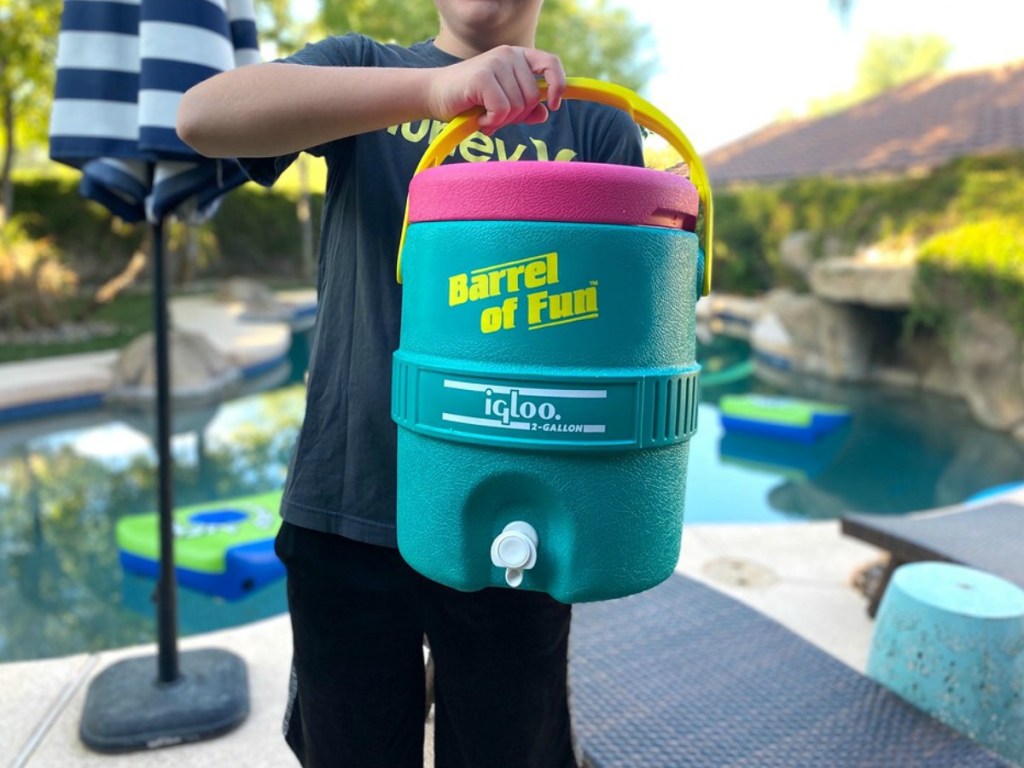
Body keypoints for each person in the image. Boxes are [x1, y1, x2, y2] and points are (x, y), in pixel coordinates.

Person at [177, 2, 643, 766]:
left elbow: (620, 333)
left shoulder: (594, 126)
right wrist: (435, 92)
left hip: (515, 526)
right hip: (350, 504)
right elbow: (203, 117)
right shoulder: (364, 69)